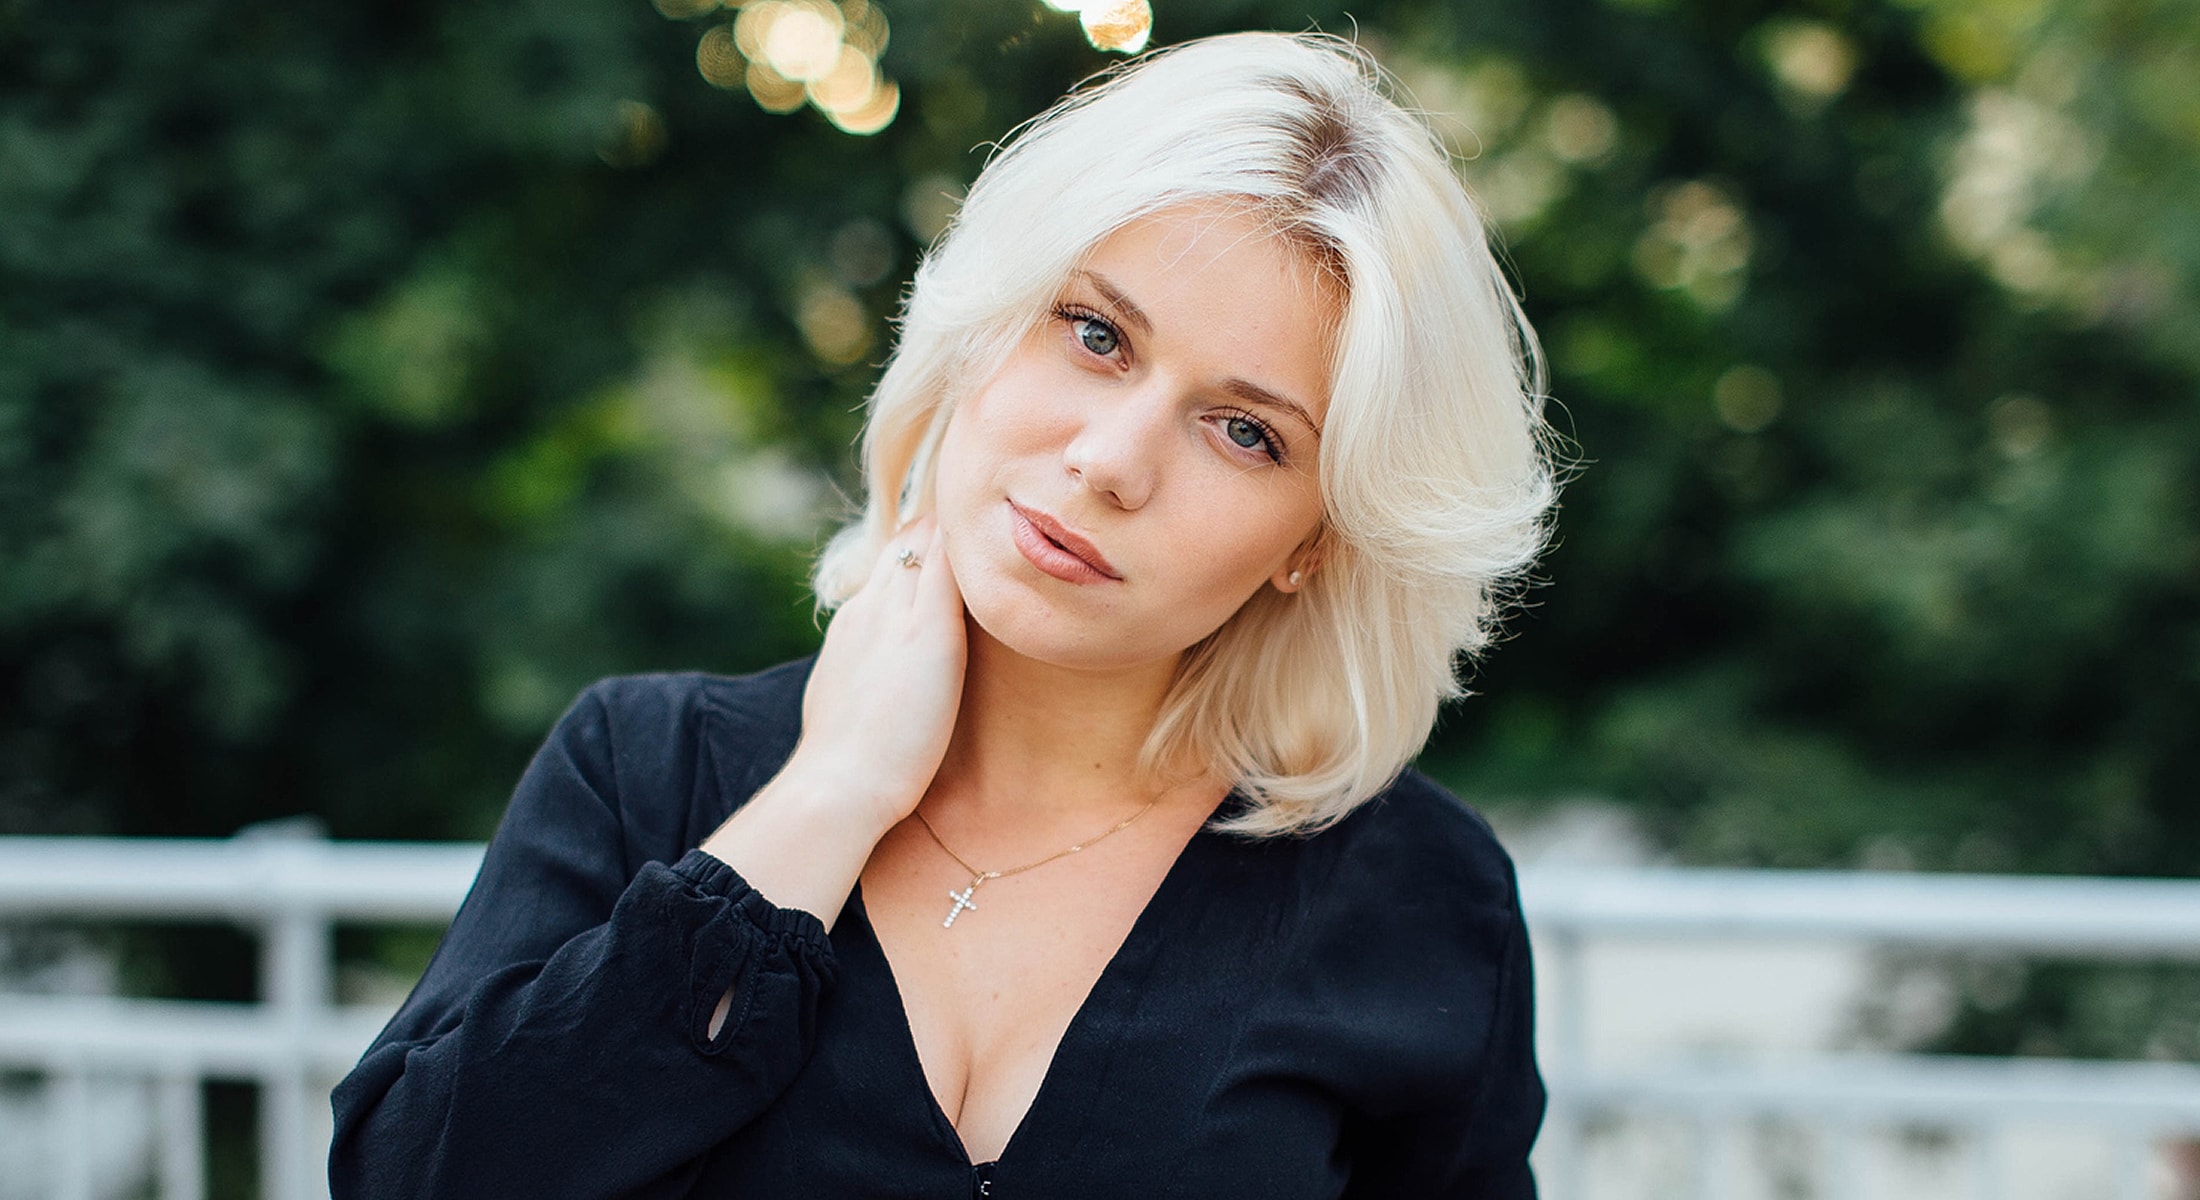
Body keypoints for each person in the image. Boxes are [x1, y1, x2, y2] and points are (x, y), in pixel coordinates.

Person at [331, 30, 1557, 1200]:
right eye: (1095, 334)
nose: (1110, 461)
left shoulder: (1423, 899)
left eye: (1245, 432)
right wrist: (829, 800)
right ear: (982, 332)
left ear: (1315, 540)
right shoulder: (644, 771)